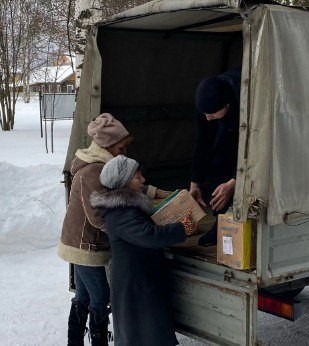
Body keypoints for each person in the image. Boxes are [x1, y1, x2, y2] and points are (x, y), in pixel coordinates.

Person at [57, 113, 168, 346]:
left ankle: (74, 342)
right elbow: (97, 216)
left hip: (86, 242)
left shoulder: (105, 166)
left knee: (84, 296)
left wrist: (153, 192)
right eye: (120, 147)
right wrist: (127, 232)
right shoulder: (92, 172)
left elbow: (122, 184)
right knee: (100, 297)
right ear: (107, 145)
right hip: (85, 244)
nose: (124, 152)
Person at [91, 155, 197, 346]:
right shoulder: (122, 212)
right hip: (136, 286)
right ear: (123, 182)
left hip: (139, 281)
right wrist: (182, 228)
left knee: (146, 335)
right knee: (145, 336)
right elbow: (149, 236)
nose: (143, 180)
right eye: (136, 176)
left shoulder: (124, 208)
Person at [189, 69, 241, 246]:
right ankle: (220, 221)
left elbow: (254, 148)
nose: (207, 118)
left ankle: (236, 219)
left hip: (247, 129)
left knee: (232, 159)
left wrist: (234, 181)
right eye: (204, 113)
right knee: (217, 160)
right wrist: (195, 182)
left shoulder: (243, 99)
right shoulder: (206, 107)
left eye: (212, 114)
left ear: (227, 105)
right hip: (227, 123)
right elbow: (203, 142)